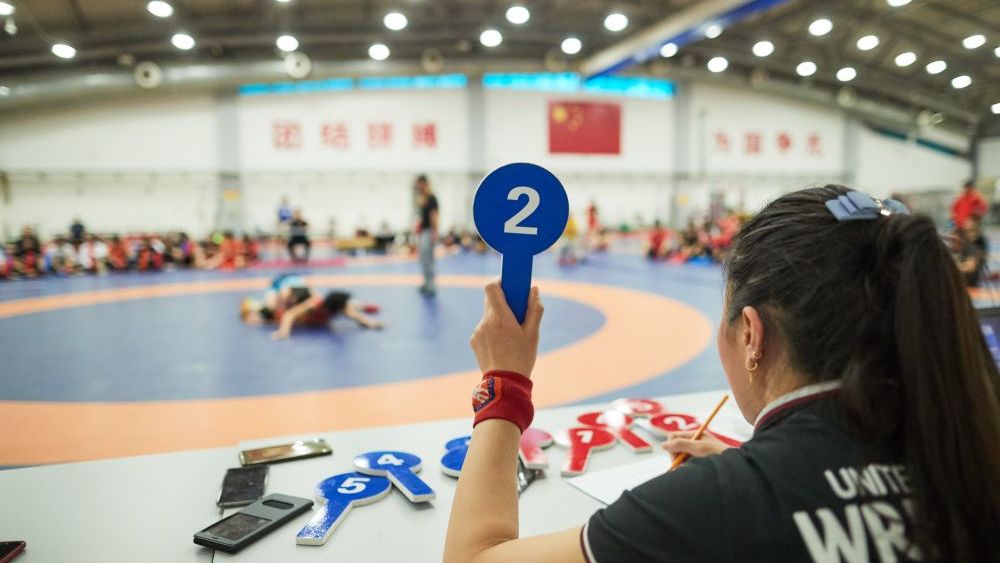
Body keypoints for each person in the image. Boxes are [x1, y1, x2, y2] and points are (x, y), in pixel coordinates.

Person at [444, 186, 1000, 563]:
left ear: (752, 334)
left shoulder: (710, 506)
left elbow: (474, 558)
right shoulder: (974, 448)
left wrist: (505, 382)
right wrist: (756, 467)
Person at [240, 274, 383, 339]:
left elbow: (353, 315)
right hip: (291, 295)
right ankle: (251, 304)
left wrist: (370, 323)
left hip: (301, 293)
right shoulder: (311, 303)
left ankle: (361, 305)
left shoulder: (335, 306)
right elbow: (289, 314)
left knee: (350, 307)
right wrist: (283, 332)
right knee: (273, 311)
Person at [415, 174, 438, 295]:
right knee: (423, 258)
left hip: (429, 232)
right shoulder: (423, 198)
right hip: (423, 232)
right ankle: (426, 282)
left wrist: (434, 232)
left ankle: (431, 285)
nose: (417, 186)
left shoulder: (431, 198)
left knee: (428, 258)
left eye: (418, 183)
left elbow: (434, 215)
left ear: (424, 183)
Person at [954, 219, 988, 287]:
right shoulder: (964, 242)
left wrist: (953, 266)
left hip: (970, 282)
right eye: (967, 230)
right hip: (960, 280)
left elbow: (971, 266)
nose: (969, 233)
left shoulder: (980, 243)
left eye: (972, 230)